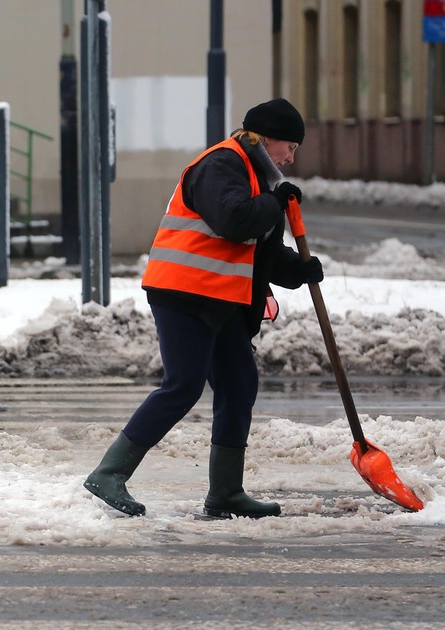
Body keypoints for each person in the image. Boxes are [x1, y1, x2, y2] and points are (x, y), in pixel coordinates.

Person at [82, 97, 324, 519]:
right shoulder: (222, 164)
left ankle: (226, 493)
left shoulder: (255, 175)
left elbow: (256, 250)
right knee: (183, 385)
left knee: (238, 384)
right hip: (184, 292)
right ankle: (109, 473)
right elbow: (232, 219)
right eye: (291, 146)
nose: (291, 157)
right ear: (268, 139)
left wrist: (300, 268)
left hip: (221, 298)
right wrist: (276, 203)